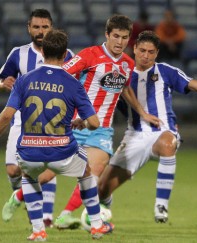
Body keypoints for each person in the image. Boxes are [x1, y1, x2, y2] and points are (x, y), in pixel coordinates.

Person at [97, 30, 197, 224]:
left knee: (168, 144)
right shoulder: (120, 74)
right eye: (142, 50)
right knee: (100, 190)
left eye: (151, 52)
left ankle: (161, 206)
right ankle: (105, 207)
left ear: (156, 53)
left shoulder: (166, 71)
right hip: (134, 135)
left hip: (162, 131)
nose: (146, 55)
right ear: (134, 49)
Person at [0, 29, 114, 241]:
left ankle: (38, 231)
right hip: (63, 152)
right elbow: (94, 123)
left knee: (28, 175)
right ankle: (97, 226)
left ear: (42, 50)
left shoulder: (24, 80)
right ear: (65, 55)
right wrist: (82, 123)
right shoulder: (73, 83)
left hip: (29, 150)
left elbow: (7, 116)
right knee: (87, 171)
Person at [52, 14, 162, 229]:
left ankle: (67, 215)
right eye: (116, 36)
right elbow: (63, 75)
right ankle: (18, 196)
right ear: (107, 35)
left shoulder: (128, 63)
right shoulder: (89, 55)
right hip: (75, 123)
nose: (120, 42)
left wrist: (142, 113)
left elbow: (125, 89)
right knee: (48, 171)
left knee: (95, 170)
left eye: (124, 37)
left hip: (101, 128)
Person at [0, 9, 74, 227]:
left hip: (54, 122)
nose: (41, 31)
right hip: (22, 120)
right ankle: (22, 196)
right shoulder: (18, 54)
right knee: (13, 169)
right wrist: (4, 84)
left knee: (48, 165)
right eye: (37, 27)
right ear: (29, 28)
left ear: (52, 28)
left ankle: (45, 217)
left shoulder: (67, 56)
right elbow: (1, 82)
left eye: (45, 27)